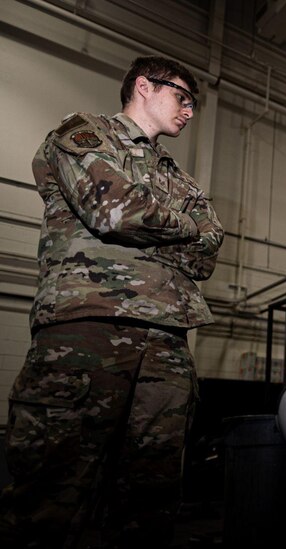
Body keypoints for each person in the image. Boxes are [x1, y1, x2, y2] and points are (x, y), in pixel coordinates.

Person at [0, 56, 224, 548]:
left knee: (150, 501)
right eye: (182, 98)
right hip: (86, 327)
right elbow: (113, 207)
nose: (189, 112)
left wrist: (161, 224)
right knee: (52, 493)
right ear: (144, 85)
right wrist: (180, 228)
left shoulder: (181, 180)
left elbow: (209, 250)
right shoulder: (82, 132)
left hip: (166, 340)